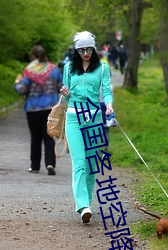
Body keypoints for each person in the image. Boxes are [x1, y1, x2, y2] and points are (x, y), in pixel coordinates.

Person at [60, 31, 113, 223]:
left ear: (94, 48)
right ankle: (82, 205)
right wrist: (65, 92)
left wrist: (108, 104)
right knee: (80, 163)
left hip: (94, 118)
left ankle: (87, 201)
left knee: (91, 165)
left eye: (88, 49)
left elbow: (106, 90)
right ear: (76, 50)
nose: (85, 53)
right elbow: (66, 97)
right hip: (74, 118)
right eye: (81, 50)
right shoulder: (68, 68)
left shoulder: (102, 68)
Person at [14, 45, 63, 175]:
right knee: (49, 137)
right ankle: (50, 163)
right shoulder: (54, 70)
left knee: (35, 138)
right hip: (50, 109)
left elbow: (22, 90)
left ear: (33, 57)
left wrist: (17, 83)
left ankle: (35, 166)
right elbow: (61, 87)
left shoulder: (29, 71)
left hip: (33, 109)